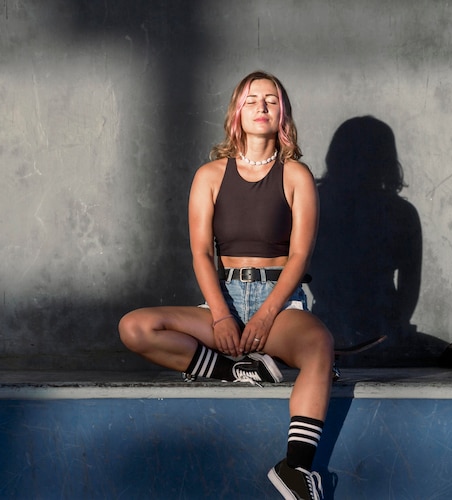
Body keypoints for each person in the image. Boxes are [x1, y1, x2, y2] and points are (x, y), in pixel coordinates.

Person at [118, 70, 333, 500]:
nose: (262, 107)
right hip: (225, 297)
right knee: (135, 327)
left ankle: (295, 469)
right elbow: (201, 253)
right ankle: (236, 370)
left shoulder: (297, 176)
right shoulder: (210, 175)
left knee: (319, 346)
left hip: (281, 301)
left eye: (271, 100)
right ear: (237, 112)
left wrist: (267, 313)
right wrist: (220, 316)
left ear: (282, 114)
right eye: (252, 99)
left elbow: (299, 257)